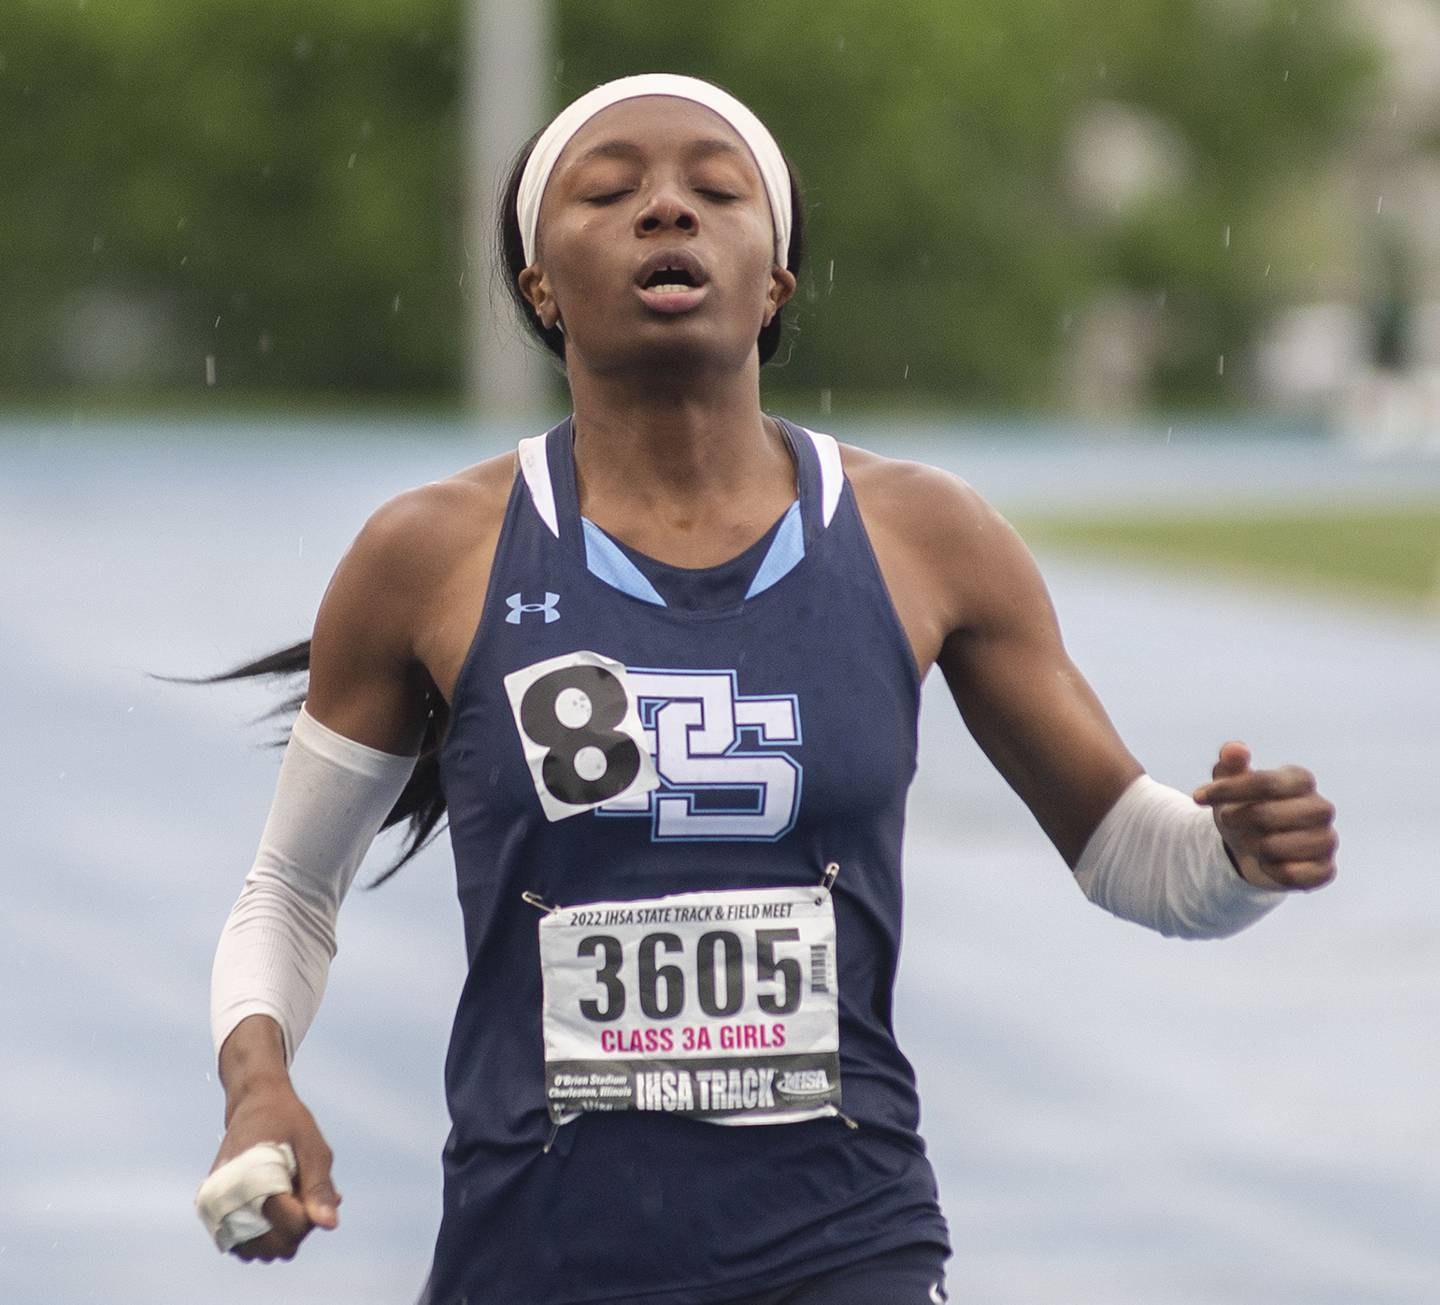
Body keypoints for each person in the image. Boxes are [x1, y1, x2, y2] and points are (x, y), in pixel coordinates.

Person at [194, 74, 1339, 1305]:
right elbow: (291, 891)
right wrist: (259, 1081)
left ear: (776, 278)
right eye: (612, 189)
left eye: (716, 190)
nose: (668, 211)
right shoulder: (431, 553)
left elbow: (1135, 857)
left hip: (848, 1245)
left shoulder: (925, 537)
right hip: (537, 1250)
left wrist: (1238, 865)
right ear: (540, 287)